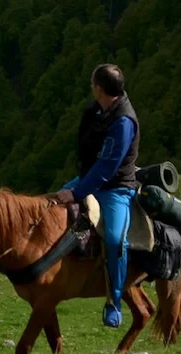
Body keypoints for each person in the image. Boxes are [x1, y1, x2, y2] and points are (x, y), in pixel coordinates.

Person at [52, 64, 140, 328]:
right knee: (50, 205)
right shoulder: (96, 111)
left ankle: (114, 302)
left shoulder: (123, 122)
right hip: (91, 177)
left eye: (92, 83)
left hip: (116, 187)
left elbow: (107, 167)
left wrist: (77, 192)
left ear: (99, 88)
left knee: (115, 240)